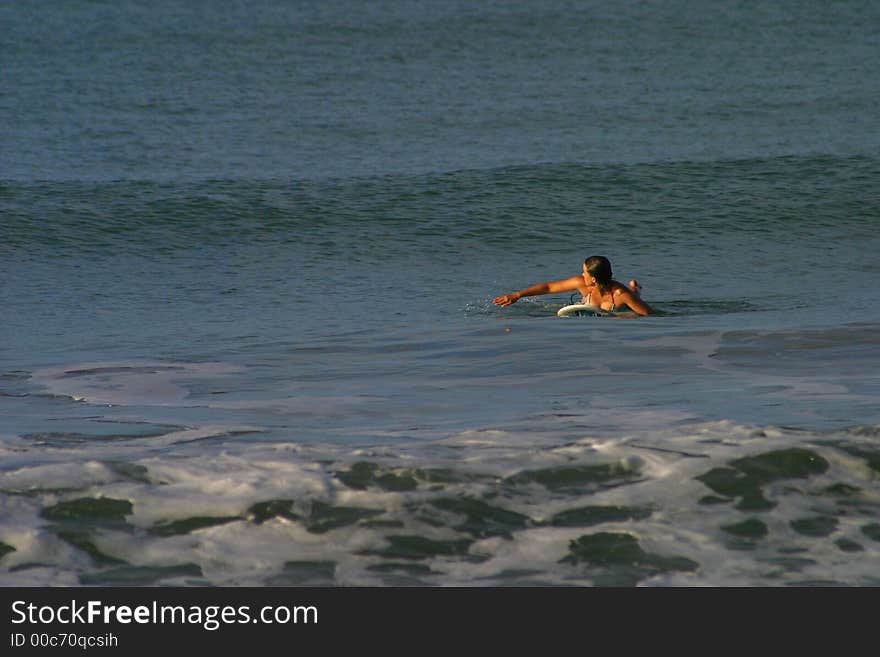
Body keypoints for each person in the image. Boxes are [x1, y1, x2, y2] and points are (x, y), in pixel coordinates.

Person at [493, 255, 654, 316]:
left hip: (622, 302)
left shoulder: (620, 294)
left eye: (585, 272)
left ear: (593, 279)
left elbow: (649, 315)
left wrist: (623, 318)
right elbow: (549, 287)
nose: (581, 274)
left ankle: (635, 288)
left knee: (632, 296)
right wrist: (517, 295)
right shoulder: (582, 284)